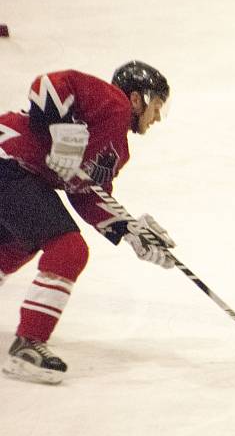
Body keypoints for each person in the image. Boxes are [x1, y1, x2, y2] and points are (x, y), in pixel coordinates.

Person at [0, 61, 176, 384]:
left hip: (17, 173)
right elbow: (48, 85)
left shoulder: (117, 150)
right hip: (8, 160)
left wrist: (129, 230)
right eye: (157, 106)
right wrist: (61, 129)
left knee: (19, 243)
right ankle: (27, 345)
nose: (157, 118)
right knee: (68, 248)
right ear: (137, 99)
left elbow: (85, 194)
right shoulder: (112, 102)